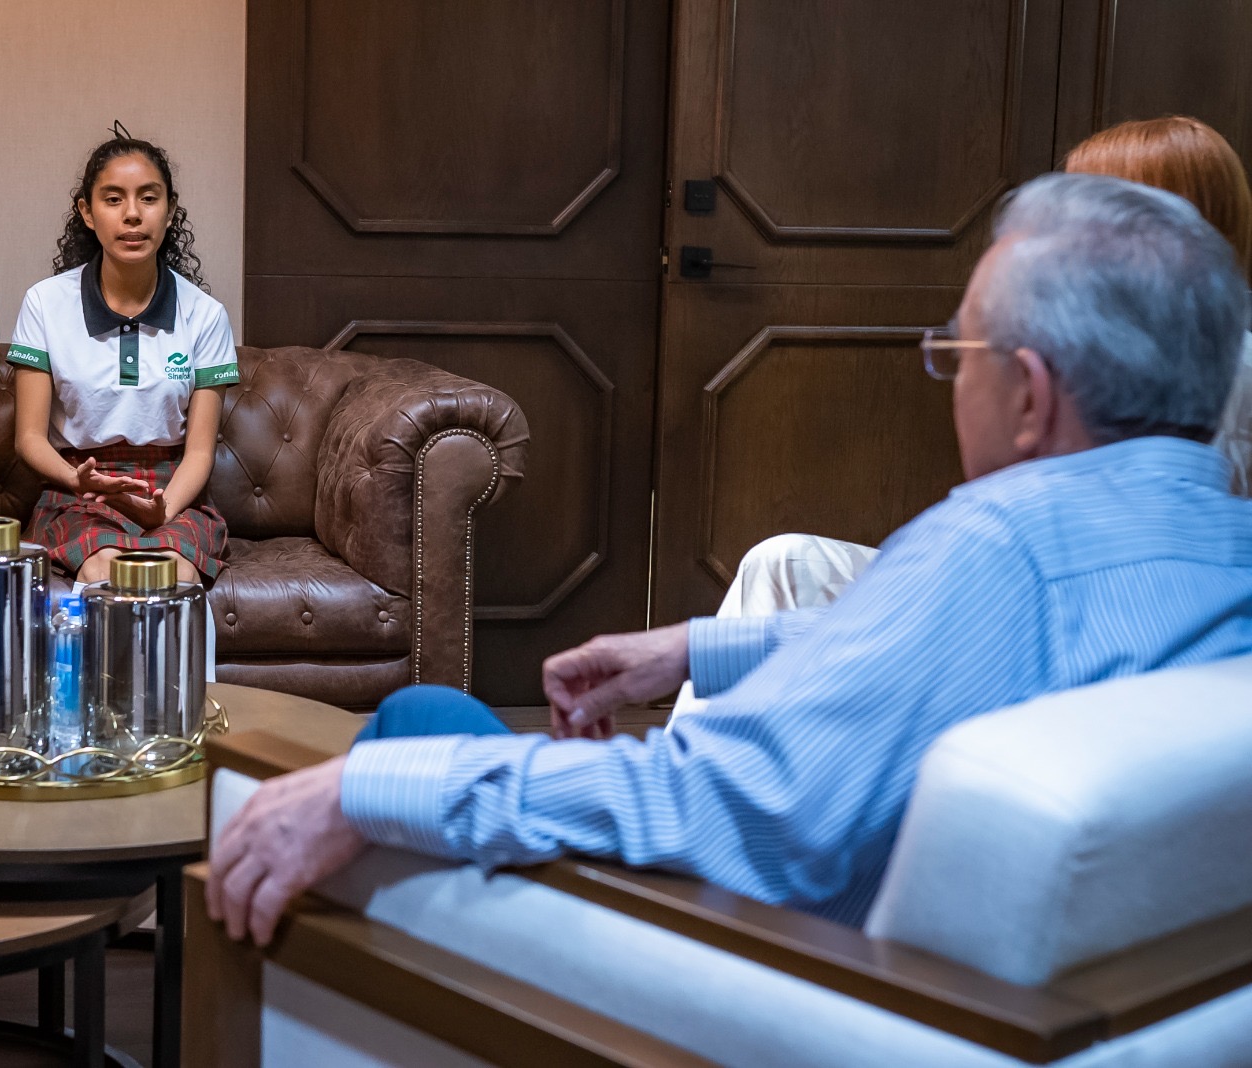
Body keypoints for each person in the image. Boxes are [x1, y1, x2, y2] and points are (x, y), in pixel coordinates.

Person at [206, 172, 1252, 946]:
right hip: (1062, 989)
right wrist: (692, 651)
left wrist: (372, 792)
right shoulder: (1217, 545)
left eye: (958, 352)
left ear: (1030, 396)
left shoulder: (997, 549)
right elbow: (951, 657)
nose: (946, 380)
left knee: (413, 734)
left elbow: (703, 800)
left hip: (754, 964)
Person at [715, 115, 1252, 623]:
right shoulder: (1109, 347)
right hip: (1014, 587)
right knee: (781, 563)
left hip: (1062, 617)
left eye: (1074, 210)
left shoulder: (1187, 372)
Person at [7, 131, 236, 590]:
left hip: (170, 489)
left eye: (148, 198)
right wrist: (79, 480)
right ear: (87, 212)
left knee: (174, 573)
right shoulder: (45, 303)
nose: (132, 213)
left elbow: (199, 452)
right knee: (105, 569)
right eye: (113, 199)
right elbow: (28, 438)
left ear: (170, 210)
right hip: (79, 488)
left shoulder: (205, 314)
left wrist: (163, 509)